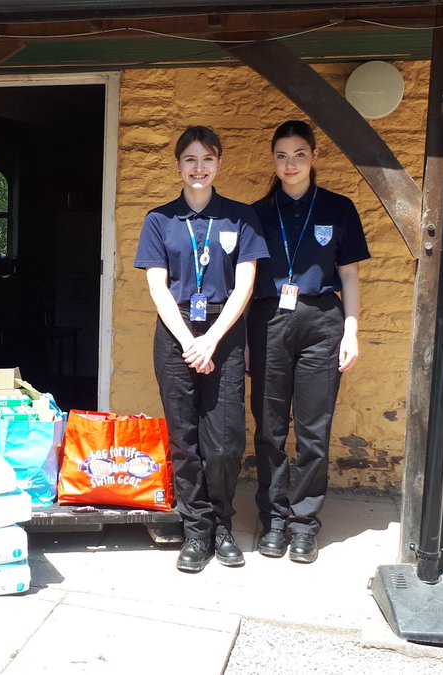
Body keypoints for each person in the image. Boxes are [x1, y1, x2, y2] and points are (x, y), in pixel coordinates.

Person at [134, 126, 269, 573]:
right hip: (176, 333)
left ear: (218, 164)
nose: (198, 168)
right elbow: (157, 285)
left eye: (207, 159)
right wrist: (190, 340)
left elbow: (245, 283)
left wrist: (211, 338)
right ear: (177, 165)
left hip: (224, 330)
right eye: (190, 160)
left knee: (226, 440)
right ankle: (195, 529)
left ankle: (222, 525)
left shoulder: (240, 216)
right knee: (184, 439)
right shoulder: (159, 219)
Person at [247, 120, 370, 564]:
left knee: (314, 431)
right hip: (269, 322)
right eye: (282, 155)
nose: (290, 163)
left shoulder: (339, 209)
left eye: (299, 154)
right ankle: (274, 518)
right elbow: (244, 283)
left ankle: (304, 522)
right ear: (273, 160)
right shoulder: (256, 214)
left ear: (314, 157)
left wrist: (351, 331)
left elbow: (350, 274)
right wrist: (244, 338)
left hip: (322, 322)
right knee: (270, 429)